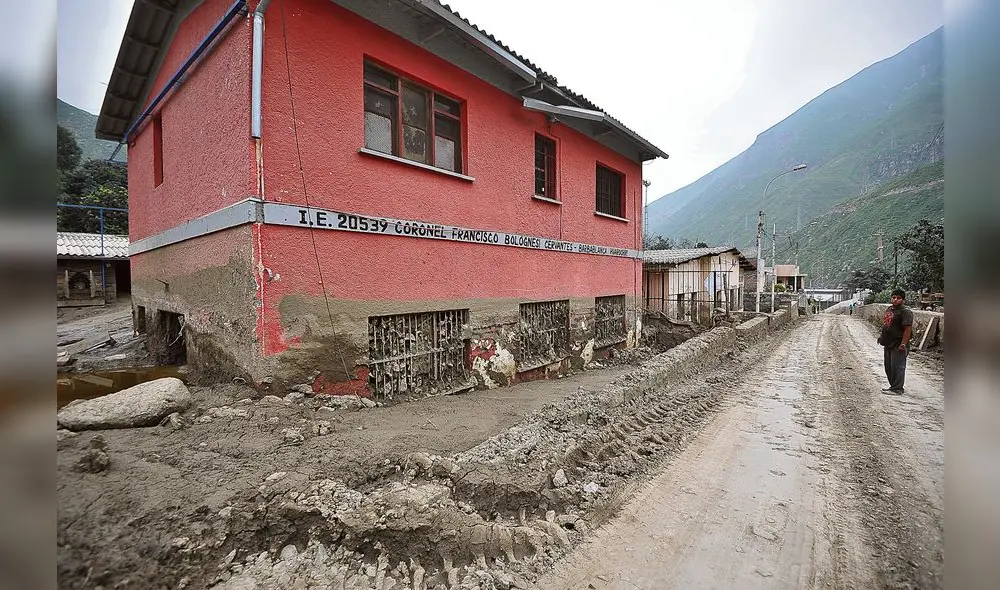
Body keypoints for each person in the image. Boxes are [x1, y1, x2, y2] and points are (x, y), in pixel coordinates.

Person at [877, 288, 913, 395]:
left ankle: (897, 388)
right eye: (894, 297)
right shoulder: (890, 309)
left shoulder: (906, 312)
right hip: (888, 342)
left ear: (903, 300)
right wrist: (881, 337)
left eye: (899, 298)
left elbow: (907, 329)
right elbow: (887, 325)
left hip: (898, 343)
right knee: (888, 366)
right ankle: (893, 386)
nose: (896, 300)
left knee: (898, 366)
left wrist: (903, 343)